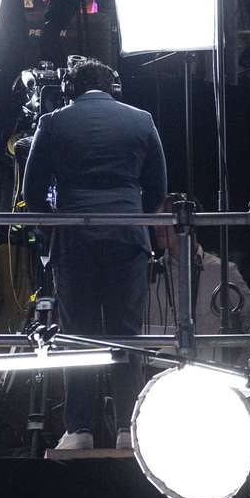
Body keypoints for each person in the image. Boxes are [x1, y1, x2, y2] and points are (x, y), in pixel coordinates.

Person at [21, 58, 168, 450]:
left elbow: (31, 192)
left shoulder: (52, 122)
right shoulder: (142, 119)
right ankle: (127, 428)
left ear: (71, 89)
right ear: (112, 88)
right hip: (128, 238)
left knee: (77, 334)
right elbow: (157, 188)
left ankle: (80, 428)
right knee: (127, 334)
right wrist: (133, 215)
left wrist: (53, 222)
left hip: (75, 239)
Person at [144, 193, 250, 356]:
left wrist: (241, 368)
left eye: (166, 219)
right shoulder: (148, 275)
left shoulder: (223, 271)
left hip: (215, 375)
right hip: (162, 374)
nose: (158, 227)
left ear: (190, 223)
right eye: (157, 220)